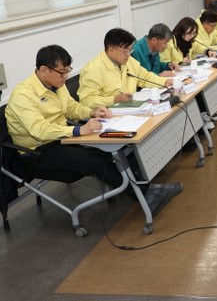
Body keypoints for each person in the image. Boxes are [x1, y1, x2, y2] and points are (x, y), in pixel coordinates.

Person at [5, 45, 183, 214]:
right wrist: (77, 131)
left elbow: (71, 108)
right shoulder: (22, 95)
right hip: (35, 152)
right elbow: (39, 130)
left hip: (61, 137)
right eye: (62, 72)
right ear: (44, 70)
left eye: (68, 71)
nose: (66, 76)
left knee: (109, 150)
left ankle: (145, 189)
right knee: (95, 160)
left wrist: (91, 112)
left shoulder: (56, 85)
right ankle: (146, 197)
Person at [78, 28, 172, 108]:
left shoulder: (128, 61)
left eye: (130, 50)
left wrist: (164, 82)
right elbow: (86, 100)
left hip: (132, 108)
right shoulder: (92, 69)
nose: (128, 55)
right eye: (125, 51)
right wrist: (113, 99)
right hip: (108, 114)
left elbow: (145, 77)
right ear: (111, 49)